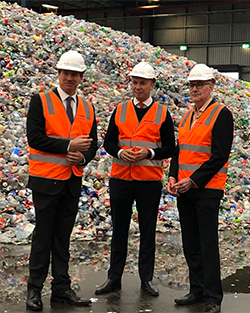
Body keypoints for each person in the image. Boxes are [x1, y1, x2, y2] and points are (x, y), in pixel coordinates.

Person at [95, 62, 175, 297]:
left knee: (147, 230)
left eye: (142, 83)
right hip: (121, 178)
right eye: (135, 82)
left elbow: (170, 147)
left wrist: (148, 153)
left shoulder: (162, 113)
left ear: (152, 85)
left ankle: (146, 279)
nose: (138, 87)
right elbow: (108, 141)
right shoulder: (120, 109)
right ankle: (114, 278)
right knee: (119, 228)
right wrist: (120, 153)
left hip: (148, 180)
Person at [26, 50, 97, 311]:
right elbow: (35, 138)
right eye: (66, 73)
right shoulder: (41, 101)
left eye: (75, 74)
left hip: (71, 180)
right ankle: (34, 290)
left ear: (81, 77)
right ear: (58, 74)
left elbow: (93, 142)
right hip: (46, 181)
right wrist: (68, 145)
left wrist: (84, 157)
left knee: (63, 238)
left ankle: (61, 288)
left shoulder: (87, 107)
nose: (70, 78)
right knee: (43, 237)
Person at [167, 64, 233, 313]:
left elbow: (219, 156)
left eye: (199, 85)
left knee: (207, 243)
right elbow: (179, 151)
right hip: (184, 189)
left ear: (211, 87)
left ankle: (213, 297)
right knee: (190, 242)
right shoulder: (187, 115)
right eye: (192, 85)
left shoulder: (221, 114)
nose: (194, 89)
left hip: (207, 189)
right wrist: (172, 177)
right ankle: (196, 290)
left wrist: (193, 180)